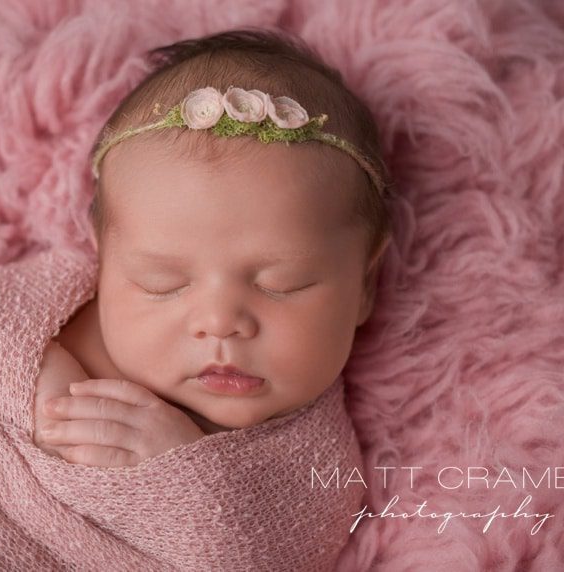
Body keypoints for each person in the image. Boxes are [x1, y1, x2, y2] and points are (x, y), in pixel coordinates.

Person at [32, 27, 395, 468]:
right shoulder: (45, 310)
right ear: (103, 260)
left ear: (365, 283)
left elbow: (298, 516)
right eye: (162, 283)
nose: (220, 323)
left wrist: (187, 470)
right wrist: (34, 382)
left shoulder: (312, 457)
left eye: (283, 284)